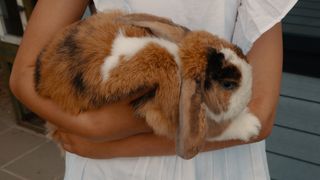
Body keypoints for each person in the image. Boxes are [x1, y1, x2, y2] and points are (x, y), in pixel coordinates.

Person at [10, 0, 297, 179]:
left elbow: (260, 114)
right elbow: (23, 75)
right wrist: (92, 125)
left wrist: (106, 138)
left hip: (220, 161)